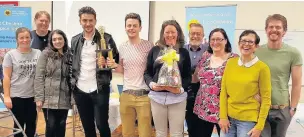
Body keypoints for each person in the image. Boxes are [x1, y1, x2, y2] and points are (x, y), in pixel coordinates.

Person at [68, 6, 119, 137]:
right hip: (80, 90)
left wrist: (109, 63)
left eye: (91, 20)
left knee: (102, 124)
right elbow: (72, 63)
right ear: (80, 21)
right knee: (87, 126)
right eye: (84, 20)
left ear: (95, 21)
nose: (88, 24)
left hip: (100, 88)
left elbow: (115, 59)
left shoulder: (106, 38)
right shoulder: (75, 40)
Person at [255, 14, 303, 137]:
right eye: (271, 26)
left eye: (278, 27)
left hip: (282, 109)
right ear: (266, 30)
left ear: (284, 31)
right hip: (260, 108)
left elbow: (297, 84)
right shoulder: (257, 52)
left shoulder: (293, 53)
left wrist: (292, 109)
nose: (274, 30)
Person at [107, 12, 153, 137]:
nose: (131, 28)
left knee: (145, 133)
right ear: (125, 27)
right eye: (129, 25)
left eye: (134, 25)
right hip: (126, 95)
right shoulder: (122, 47)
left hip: (144, 96)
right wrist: (114, 65)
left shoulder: (149, 46)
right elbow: (123, 69)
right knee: (127, 133)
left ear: (140, 28)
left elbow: (152, 69)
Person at [219, 30, 271, 137]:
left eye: (250, 42)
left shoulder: (262, 68)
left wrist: (259, 126)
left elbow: (266, 99)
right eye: (243, 41)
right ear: (238, 44)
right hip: (228, 118)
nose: (246, 44)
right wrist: (223, 116)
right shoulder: (231, 63)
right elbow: (223, 91)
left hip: (248, 120)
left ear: (256, 46)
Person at [144, 20, 191, 137]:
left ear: (178, 33)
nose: (170, 35)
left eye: (173, 32)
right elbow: (147, 72)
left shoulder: (183, 52)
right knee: (160, 133)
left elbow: (187, 76)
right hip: (157, 97)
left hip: (177, 98)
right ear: (163, 34)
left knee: (176, 133)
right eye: (167, 32)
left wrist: (179, 89)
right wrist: (151, 85)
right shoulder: (155, 50)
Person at [192, 28, 238, 137]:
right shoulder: (205, 56)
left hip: (224, 111)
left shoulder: (234, 59)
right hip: (203, 108)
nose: (215, 42)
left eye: (219, 39)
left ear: (226, 41)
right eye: (212, 39)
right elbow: (195, 78)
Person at [3, 27, 41, 137]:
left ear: (31, 38)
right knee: (18, 125)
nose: (25, 40)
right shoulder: (10, 55)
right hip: (16, 96)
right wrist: (6, 96)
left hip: (33, 95)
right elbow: (6, 76)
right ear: (17, 39)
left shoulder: (38, 53)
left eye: (27, 37)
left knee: (31, 124)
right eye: (21, 38)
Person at [34, 29, 72, 137]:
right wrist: (39, 98)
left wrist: (73, 99)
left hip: (64, 97)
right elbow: (39, 76)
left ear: (64, 40)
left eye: (60, 38)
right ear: (51, 41)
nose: (57, 41)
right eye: (54, 39)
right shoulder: (45, 54)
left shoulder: (70, 55)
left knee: (61, 125)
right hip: (48, 97)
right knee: (51, 126)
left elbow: (72, 78)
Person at [183, 23, 208, 137]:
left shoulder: (209, 50)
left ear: (203, 35)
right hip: (187, 92)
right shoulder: (182, 50)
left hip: (205, 93)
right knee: (191, 125)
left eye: (198, 34)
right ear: (189, 34)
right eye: (193, 33)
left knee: (204, 127)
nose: (195, 36)